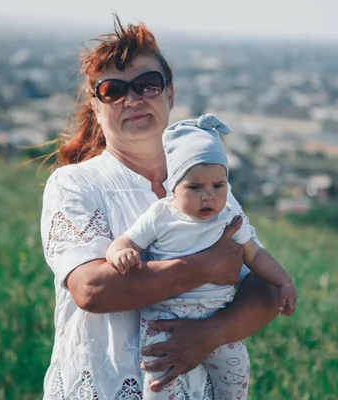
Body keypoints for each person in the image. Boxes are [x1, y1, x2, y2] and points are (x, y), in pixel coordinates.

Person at [40, 15, 280, 400]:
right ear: (97, 107)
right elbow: (92, 289)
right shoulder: (74, 185)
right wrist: (204, 266)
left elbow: (266, 287)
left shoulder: (209, 187)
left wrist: (209, 336)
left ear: (170, 94)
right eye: (113, 90)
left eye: (147, 85)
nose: (132, 99)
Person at [106, 113, 297, 399]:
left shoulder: (229, 217)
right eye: (195, 187)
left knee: (236, 373)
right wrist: (121, 253)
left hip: (217, 315)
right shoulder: (161, 216)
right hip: (164, 319)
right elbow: (126, 240)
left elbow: (256, 255)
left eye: (218, 186)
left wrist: (284, 282)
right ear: (175, 188)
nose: (208, 196)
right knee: (160, 379)